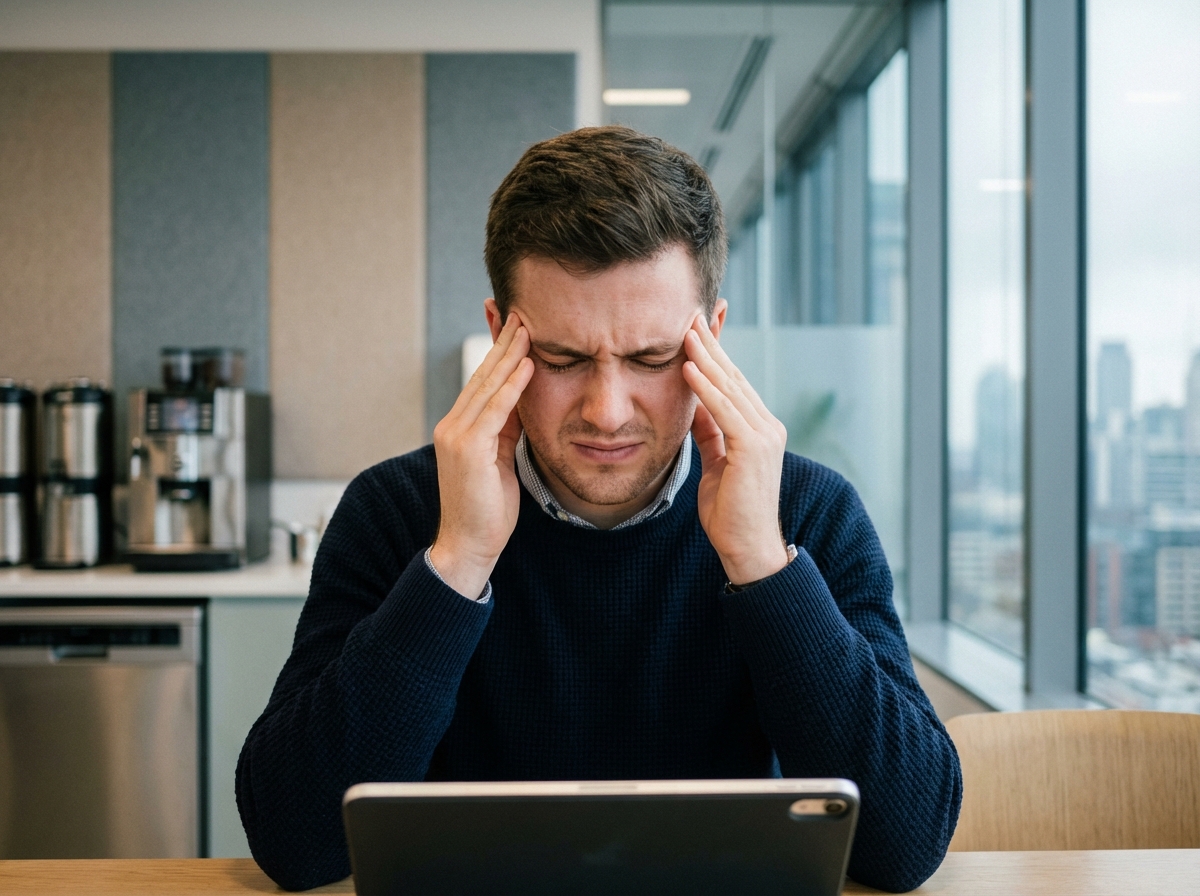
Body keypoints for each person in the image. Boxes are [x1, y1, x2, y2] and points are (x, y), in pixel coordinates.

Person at [236, 125, 961, 892]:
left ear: (710, 339)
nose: (607, 411)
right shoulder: (397, 511)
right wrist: (457, 565)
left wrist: (760, 563)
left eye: (651, 360)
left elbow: (905, 845)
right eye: (562, 359)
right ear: (500, 339)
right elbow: (295, 842)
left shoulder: (807, 513)